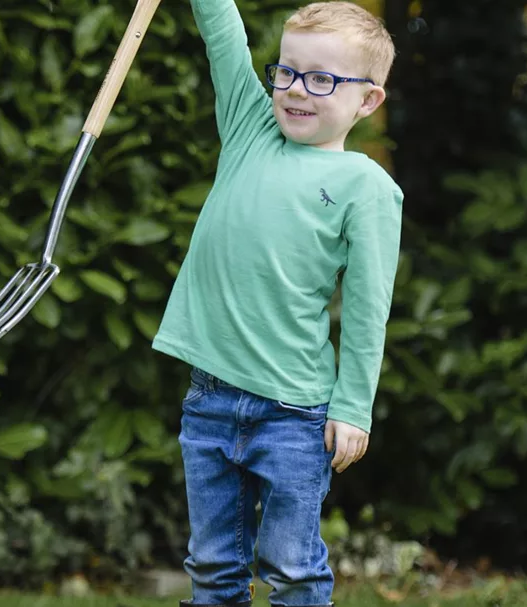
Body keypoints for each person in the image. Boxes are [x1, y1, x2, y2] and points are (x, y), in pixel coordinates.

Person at [151, 1, 403, 605]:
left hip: (294, 412)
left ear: (367, 100)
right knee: (213, 567)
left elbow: (369, 309)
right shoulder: (249, 127)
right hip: (210, 397)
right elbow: (221, 33)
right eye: (287, 72)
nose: (296, 91)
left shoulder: (365, 187)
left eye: (322, 79)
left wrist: (354, 408)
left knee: (292, 569)